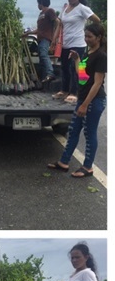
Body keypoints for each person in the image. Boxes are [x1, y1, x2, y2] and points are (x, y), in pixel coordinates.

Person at [47, 21, 106, 178]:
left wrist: (85, 104)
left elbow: (98, 83)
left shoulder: (101, 55)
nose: (86, 39)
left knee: (89, 133)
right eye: (85, 35)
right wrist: (77, 60)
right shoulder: (89, 52)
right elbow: (82, 77)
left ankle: (88, 167)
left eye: (90, 36)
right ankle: (63, 162)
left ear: (99, 37)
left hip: (94, 101)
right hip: (83, 99)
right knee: (73, 131)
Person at [50, 0, 100, 104]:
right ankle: (64, 90)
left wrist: (88, 34)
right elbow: (60, 25)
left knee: (75, 69)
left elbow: (97, 20)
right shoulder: (65, 8)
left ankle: (74, 93)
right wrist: (54, 41)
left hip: (78, 44)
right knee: (64, 68)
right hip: (65, 44)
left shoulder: (83, 8)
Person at [24, 0, 57, 82]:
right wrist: (28, 33)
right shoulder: (41, 14)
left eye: (38, 3)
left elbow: (56, 22)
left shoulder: (50, 11)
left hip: (46, 38)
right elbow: (39, 29)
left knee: (43, 54)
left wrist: (54, 38)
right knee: (41, 59)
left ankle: (51, 73)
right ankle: (43, 77)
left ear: (41, 3)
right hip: (40, 38)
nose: (38, 5)